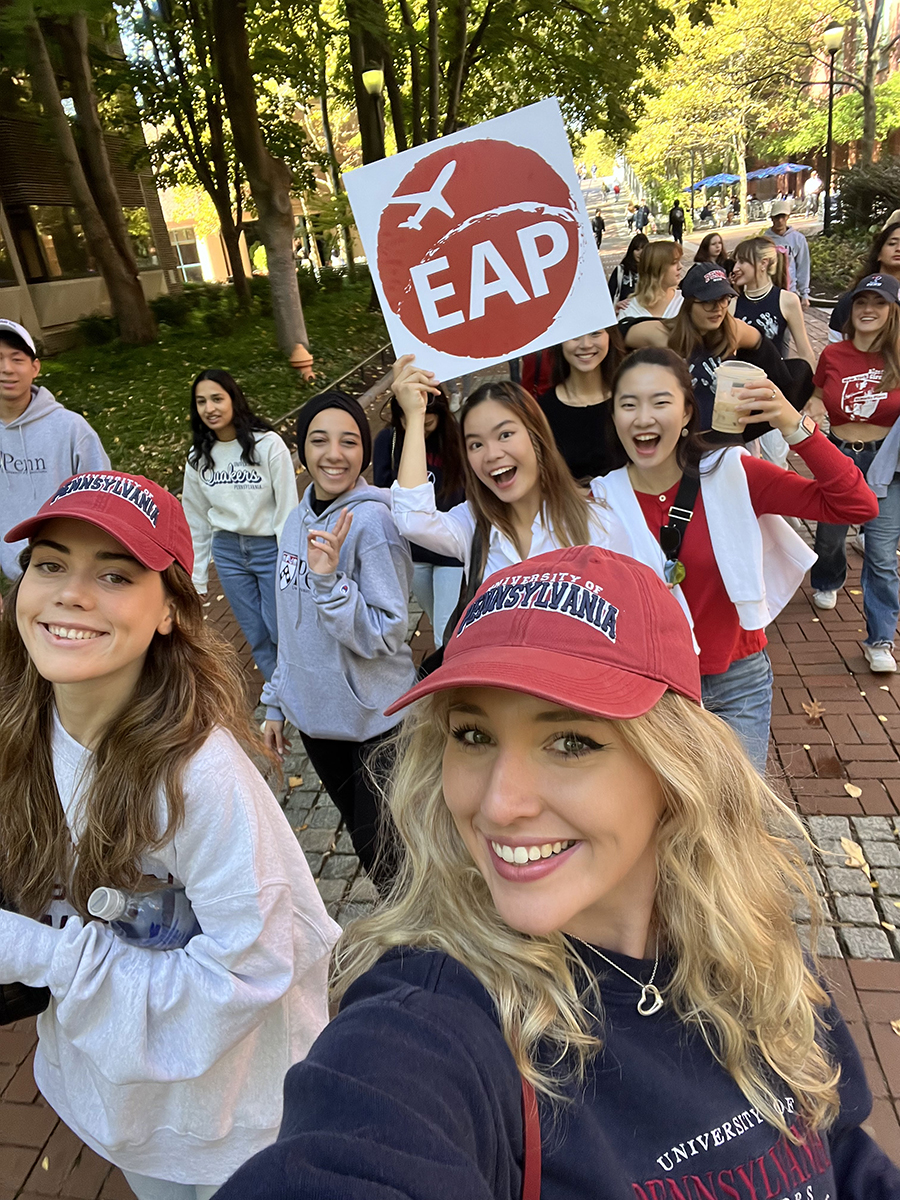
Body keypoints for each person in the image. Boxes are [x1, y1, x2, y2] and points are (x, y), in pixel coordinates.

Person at [217, 541, 899, 1200]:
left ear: (675, 769)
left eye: (570, 741)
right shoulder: (431, 1026)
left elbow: (836, 1142)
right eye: (473, 734)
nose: (498, 804)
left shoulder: (750, 936)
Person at [0, 470, 338, 1199]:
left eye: (115, 574)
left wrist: (35, 954)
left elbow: (249, 974)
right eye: (50, 563)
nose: (71, 593)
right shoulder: (19, 729)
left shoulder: (199, 780)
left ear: (168, 614)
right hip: (116, 1096)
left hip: (233, 1114)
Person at [592, 347, 876, 769]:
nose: (643, 417)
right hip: (652, 687)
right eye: (628, 404)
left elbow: (855, 505)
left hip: (736, 682)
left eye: (660, 402)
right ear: (614, 416)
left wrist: (792, 424)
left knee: (737, 822)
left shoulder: (732, 473)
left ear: (688, 412)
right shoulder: (600, 500)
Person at [262, 391, 416, 892]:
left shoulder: (373, 524)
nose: (334, 454)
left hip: (376, 721)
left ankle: (425, 942)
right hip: (317, 719)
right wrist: (276, 703)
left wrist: (331, 584)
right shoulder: (294, 522)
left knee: (390, 850)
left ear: (364, 453)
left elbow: (388, 634)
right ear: (301, 450)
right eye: (319, 440)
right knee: (363, 838)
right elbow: (291, 626)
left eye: (349, 441)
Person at [389, 357, 627, 586]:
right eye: (476, 445)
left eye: (505, 435)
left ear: (537, 436)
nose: (492, 454)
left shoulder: (598, 524)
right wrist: (414, 415)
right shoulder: (473, 524)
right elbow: (413, 519)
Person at [806, 275, 900, 672]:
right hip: (839, 455)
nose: (868, 309)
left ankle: (880, 639)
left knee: (881, 556)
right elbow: (816, 393)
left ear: (892, 311)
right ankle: (828, 578)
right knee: (829, 539)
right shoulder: (835, 355)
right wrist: (811, 410)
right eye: (861, 301)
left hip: (886, 463)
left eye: (878, 303)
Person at [182, 370, 296, 681]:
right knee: (256, 633)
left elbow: (288, 509)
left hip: (269, 548)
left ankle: (300, 688)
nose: (210, 408)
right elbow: (195, 517)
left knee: (280, 628)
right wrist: (198, 577)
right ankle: (281, 698)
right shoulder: (198, 457)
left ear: (234, 399)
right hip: (228, 551)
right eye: (201, 401)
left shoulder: (268, 445)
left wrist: (291, 563)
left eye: (217, 399)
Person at [623, 261, 799, 435]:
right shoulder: (662, 334)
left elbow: (764, 349)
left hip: (725, 438)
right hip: (681, 441)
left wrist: (778, 393)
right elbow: (616, 335)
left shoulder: (734, 330)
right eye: (709, 301)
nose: (718, 309)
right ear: (690, 303)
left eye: (724, 299)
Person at [0, 319, 109, 584]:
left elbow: (102, 499)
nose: (6, 369)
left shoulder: (70, 428)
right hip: (15, 578)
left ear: (35, 367)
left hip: (74, 573)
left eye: (17, 359)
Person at [373, 387, 466, 644]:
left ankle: (446, 680)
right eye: (407, 420)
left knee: (443, 634)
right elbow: (382, 491)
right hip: (414, 552)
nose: (418, 428)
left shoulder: (455, 440)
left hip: (449, 550)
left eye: (427, 422)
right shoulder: (388, 440)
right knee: (438, 618)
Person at [535, 327, 626, 481]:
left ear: (610, 336)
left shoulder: (628, 400)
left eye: (595, 333)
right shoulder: (542, 411)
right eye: (575, 335)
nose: (586, 344)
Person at [731, 237, 816, 366]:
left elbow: (805, 353)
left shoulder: (787, 300)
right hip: (744, 381)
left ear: (763, 263)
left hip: (775, 381)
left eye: (742, 261)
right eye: (735, 262)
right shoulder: (732, 304)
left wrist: (813, 384)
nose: (735, 268)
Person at [828, 221, 900, 342]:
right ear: (878, 254)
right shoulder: (851, 300)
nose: (898, 249)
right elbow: (836, 349)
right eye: (892, 243)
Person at [618, 241, 683, 323]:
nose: (680, 266)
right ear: (656, 268)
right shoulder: (628, 309)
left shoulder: (685, 302)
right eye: (674, 262)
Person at [765, 201, 810, 307]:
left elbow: (803, 266)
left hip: (791, 290)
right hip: (770, 289)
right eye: (777, 217)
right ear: (772, 218)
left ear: (787, 217)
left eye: (783, 217)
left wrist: (804, 294)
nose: (780, 221)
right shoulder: (765, 240)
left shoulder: (798, 239)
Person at [607, 232, 648, 313]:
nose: (640, 253)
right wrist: (615, 306)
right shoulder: (621, 270)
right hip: (626, 316)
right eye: (637, 249)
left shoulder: (652, 270)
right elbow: (609, 296)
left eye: (643, 249)